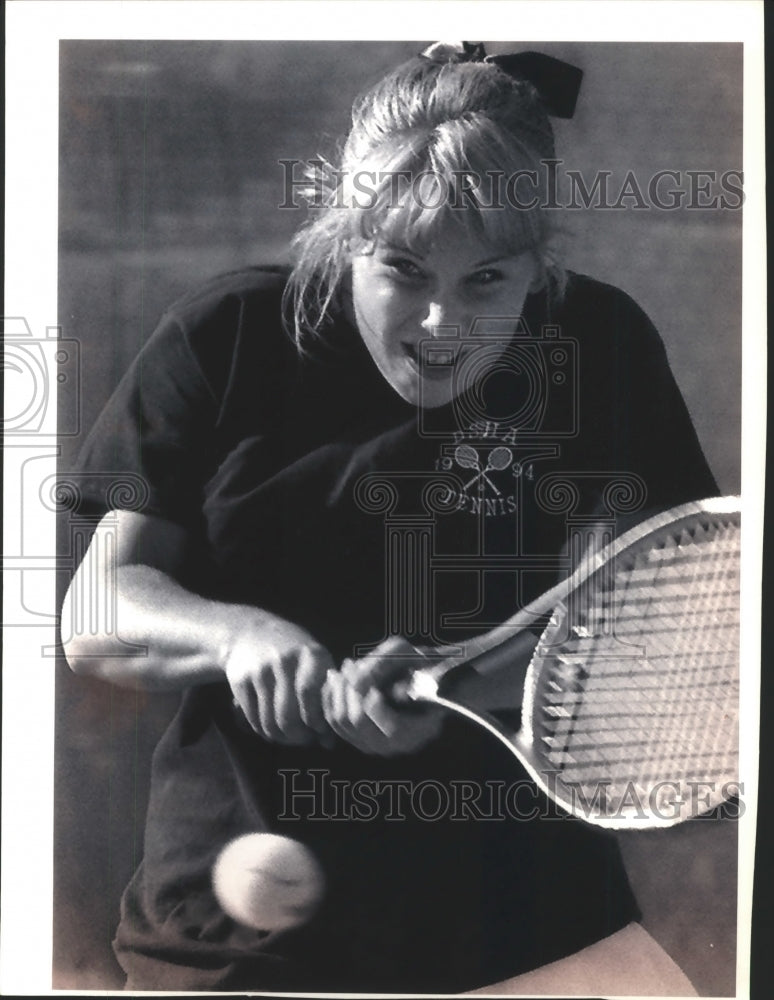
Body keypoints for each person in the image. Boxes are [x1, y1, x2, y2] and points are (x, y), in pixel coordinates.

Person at [62, 41, 717, 993]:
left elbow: (637, 638)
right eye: (404, 270)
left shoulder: (599, 346)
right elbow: (97, 616)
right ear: (343, 238)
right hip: (237, 945)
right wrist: (240, 637)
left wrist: (467, 683)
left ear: (539, 266)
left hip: (536, 929)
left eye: (486, 280)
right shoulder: (225, 336)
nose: (442, 324)